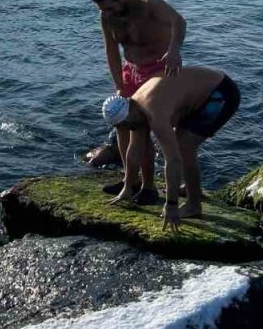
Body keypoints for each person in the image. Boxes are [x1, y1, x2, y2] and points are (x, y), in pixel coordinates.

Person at [101, 66, 241, 231]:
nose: (127, 129)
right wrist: (128, 187)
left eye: (126, 125)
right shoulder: (134, 109)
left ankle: (194, 205)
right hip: (196, 95)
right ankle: (192, 191)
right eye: (122, 127)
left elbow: (173, 160)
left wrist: (171, 204)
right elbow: (134, 150)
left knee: (183, 148)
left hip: (220, 93)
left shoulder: (154, 112)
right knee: (181, 144)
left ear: (127, 114)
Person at [91, 0, 186, 200]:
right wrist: (119, 84)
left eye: (109, 7)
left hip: (158, 72)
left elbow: (179, 22)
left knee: (141, 128)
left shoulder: (148, 3)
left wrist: (174, 50)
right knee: (122, 125)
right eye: (103, 9)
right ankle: (130, 180)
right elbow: (111, 51)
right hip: (131, 72)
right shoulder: (107, 16)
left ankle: (149, 187)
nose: (106, 13)